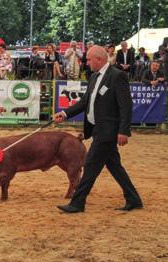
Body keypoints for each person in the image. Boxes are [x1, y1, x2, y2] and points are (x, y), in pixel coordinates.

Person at [53, 45, 143, 213]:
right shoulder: (94, 77)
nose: (87, 62)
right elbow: (84, 102)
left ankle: (77, 203)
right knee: (115, 166)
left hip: (107, 131)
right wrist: (65, 113)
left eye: (89, 59)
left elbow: (126, 106)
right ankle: (134, 199)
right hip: (97, 129)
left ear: (99, 59)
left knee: (90, 164)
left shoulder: (117, 76)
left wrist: (124, 131)